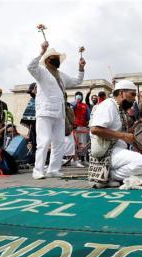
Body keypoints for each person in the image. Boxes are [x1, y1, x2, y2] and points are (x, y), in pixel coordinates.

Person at [27, 40, 85, 179]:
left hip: (60, 113)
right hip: (45, 112)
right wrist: (41, 51)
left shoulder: (61, 75)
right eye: (54, 58)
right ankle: (38, 170)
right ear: (47, 60)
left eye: (58, 58)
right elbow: (30, 66)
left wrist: (81, 67)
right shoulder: (40, 71)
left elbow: (77, 81)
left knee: (59, 143)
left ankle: (53, 169)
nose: (57, 60)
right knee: (44, 141)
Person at [88, 80, 142, 188]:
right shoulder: (108, 105)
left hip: (117, 150)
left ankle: (112, 175)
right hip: (107, 152)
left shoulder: (119, 109)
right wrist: (124, 136)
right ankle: (108, 175)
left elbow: (120, 133)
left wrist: (138, 124)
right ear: (122, 93)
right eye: (132, 94)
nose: (134, 98)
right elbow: (95, 129)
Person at [21, 82, 37, 164]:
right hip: (33, 125)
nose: (31, 93)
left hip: (41, 124)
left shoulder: (41, 99)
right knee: (34, 142)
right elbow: (28, 113)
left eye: (32, 91)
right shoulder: (32, 100)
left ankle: (37, 158)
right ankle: (34, 157)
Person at [72, 91, 89, 166]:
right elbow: (71, 109)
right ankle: (76, 160)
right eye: (77, 95)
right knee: (75, 144)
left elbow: (88, 116)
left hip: (83, 127)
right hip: (75, 127)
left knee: (83, 144)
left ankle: (83, 159)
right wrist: (76, 101)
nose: (79, 96)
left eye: (80, 95)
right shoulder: (72, 104)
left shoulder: (85, 105)